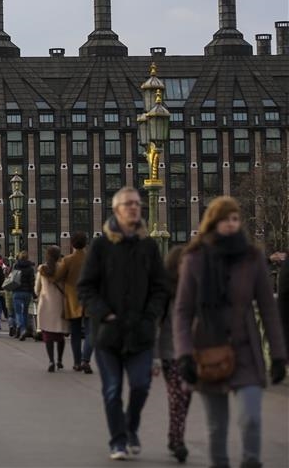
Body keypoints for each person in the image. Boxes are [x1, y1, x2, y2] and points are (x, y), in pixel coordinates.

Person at [173, 196, 286, 468]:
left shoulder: (252, 257)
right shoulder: (195, 259)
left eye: (235, 219)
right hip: (208, 348)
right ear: (213, 222)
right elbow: (183, 311)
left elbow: (268, 309)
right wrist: (185, 355)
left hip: (246, 348)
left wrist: (280, 355)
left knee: (251, 418)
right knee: (216, 427)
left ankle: (251, 462)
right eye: (226, 219)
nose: (232, 224)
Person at [78, 186, 169, 460]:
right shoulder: (101, 246)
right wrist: (103, 313)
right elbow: (85, 287)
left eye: (137, 204)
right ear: (116, 210)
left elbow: (160, 287)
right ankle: (118, 441)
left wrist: (151, 314)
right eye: (128, 203)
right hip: (108, 333)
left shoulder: (148, 245)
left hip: (140, 331)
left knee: (141, 385)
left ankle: (131, 429)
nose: (134, 208)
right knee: (113, 389)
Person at [156, 245, 191, 463]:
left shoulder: (195, 288)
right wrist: (154, 358)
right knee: (178, 395)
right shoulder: (166, 292)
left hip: (193, 352)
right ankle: (178, 440)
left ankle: (174, 434)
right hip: (171, 351)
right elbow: (156, 324)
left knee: (185, 397)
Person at [55, 232, 92, 373]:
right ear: (86, 243)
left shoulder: (68, 260)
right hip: (90, 298)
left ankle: (77, 362)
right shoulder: (92, 259)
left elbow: (57, 278)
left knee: (75, 333)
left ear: (72, 244)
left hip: (72, 300)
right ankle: (86, 359)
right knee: (91, 332)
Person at [35, 245, 70, 372]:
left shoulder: (41, 268)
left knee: (48, 335)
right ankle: (60, 360)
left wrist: (39, 294)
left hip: (46, 304)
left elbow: (37, 288)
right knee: (60, 335)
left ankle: (51, 361)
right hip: (60, 304)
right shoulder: (62, 268)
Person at [12, 251, 37, 341]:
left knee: (18, 312)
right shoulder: (30, 268)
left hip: (17, 291)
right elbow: (32, 282)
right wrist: (33, 294)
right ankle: (23, 329)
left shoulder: (16, 266)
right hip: (27, 293)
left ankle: (21, 328)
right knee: (25, 312)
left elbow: (12, 278)